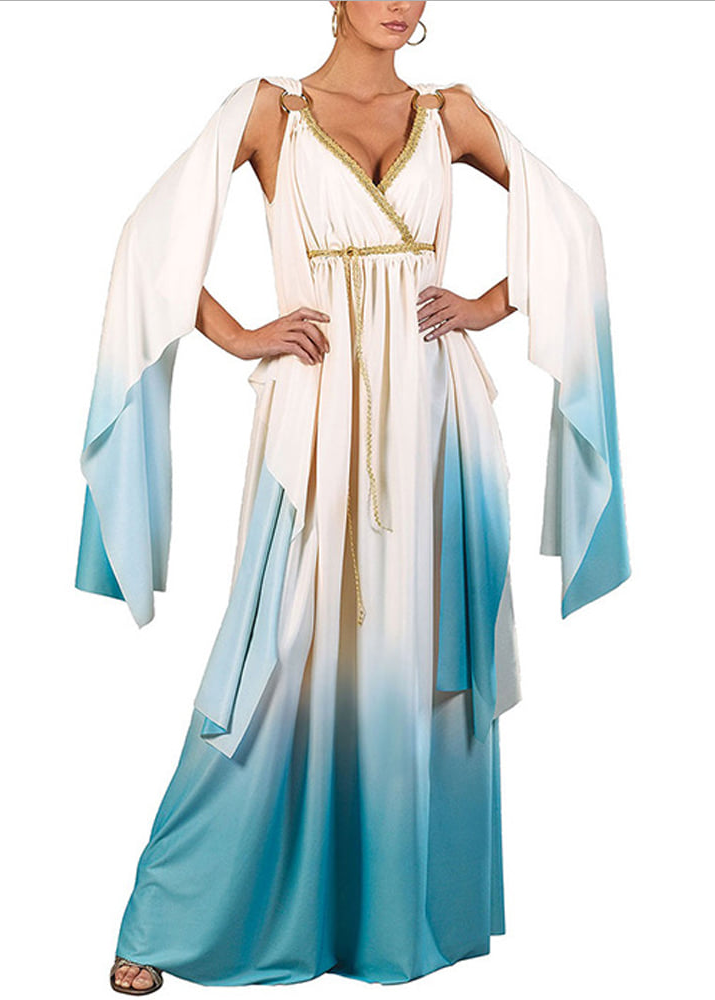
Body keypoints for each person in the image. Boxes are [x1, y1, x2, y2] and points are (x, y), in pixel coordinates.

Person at [76, 1, 631, 993]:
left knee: (417, 662)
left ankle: (388, 923)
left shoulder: (451, 114)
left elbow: (571, 226)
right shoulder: (270, 110)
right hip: (313, 427)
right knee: (270, 663)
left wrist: (485, 305)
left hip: (436, 425)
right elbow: (146, 247)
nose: (401, 3)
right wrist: (241, 335)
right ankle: (169, 917)